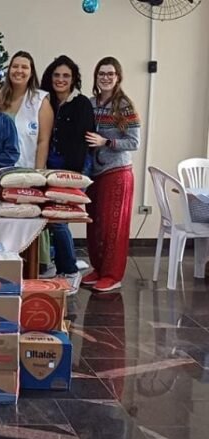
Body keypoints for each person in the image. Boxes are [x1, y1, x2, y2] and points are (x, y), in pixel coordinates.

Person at [84, 57, 141, 292]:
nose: (105, 77)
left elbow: (134, 142)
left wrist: (106, 141)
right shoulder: (90, 103)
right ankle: (98, 268)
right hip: (94, 172)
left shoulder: (125, 106)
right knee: (94, 223)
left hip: (116, 172)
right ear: (96, 77)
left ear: (118, 77)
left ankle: (112, 274)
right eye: (101, 74)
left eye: (110, 74)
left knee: (113, 226)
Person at [40, 55, 96, 294]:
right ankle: (54, 262)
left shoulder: (81, 103)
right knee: (47, 219)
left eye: (66, 76)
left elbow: (84, 141)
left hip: (72, 170)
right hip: (46, 167)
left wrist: (72, 174)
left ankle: (70, 270)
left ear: (73, 79)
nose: (61, 80)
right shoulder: (45, 100)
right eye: (56, 75)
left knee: (59, 219)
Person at [0, 51, 55, 277]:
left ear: (31, 72)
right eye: (15, 66)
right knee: (5, 215)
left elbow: (43, 140)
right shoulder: (0, 98)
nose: (19, 71)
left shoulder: (39, 100)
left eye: (24, 67)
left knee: (29, 216)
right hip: (2, 170)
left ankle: (37, 265)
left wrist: (39, 174)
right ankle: (7, 260)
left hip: (28, 170)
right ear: (9, 70)